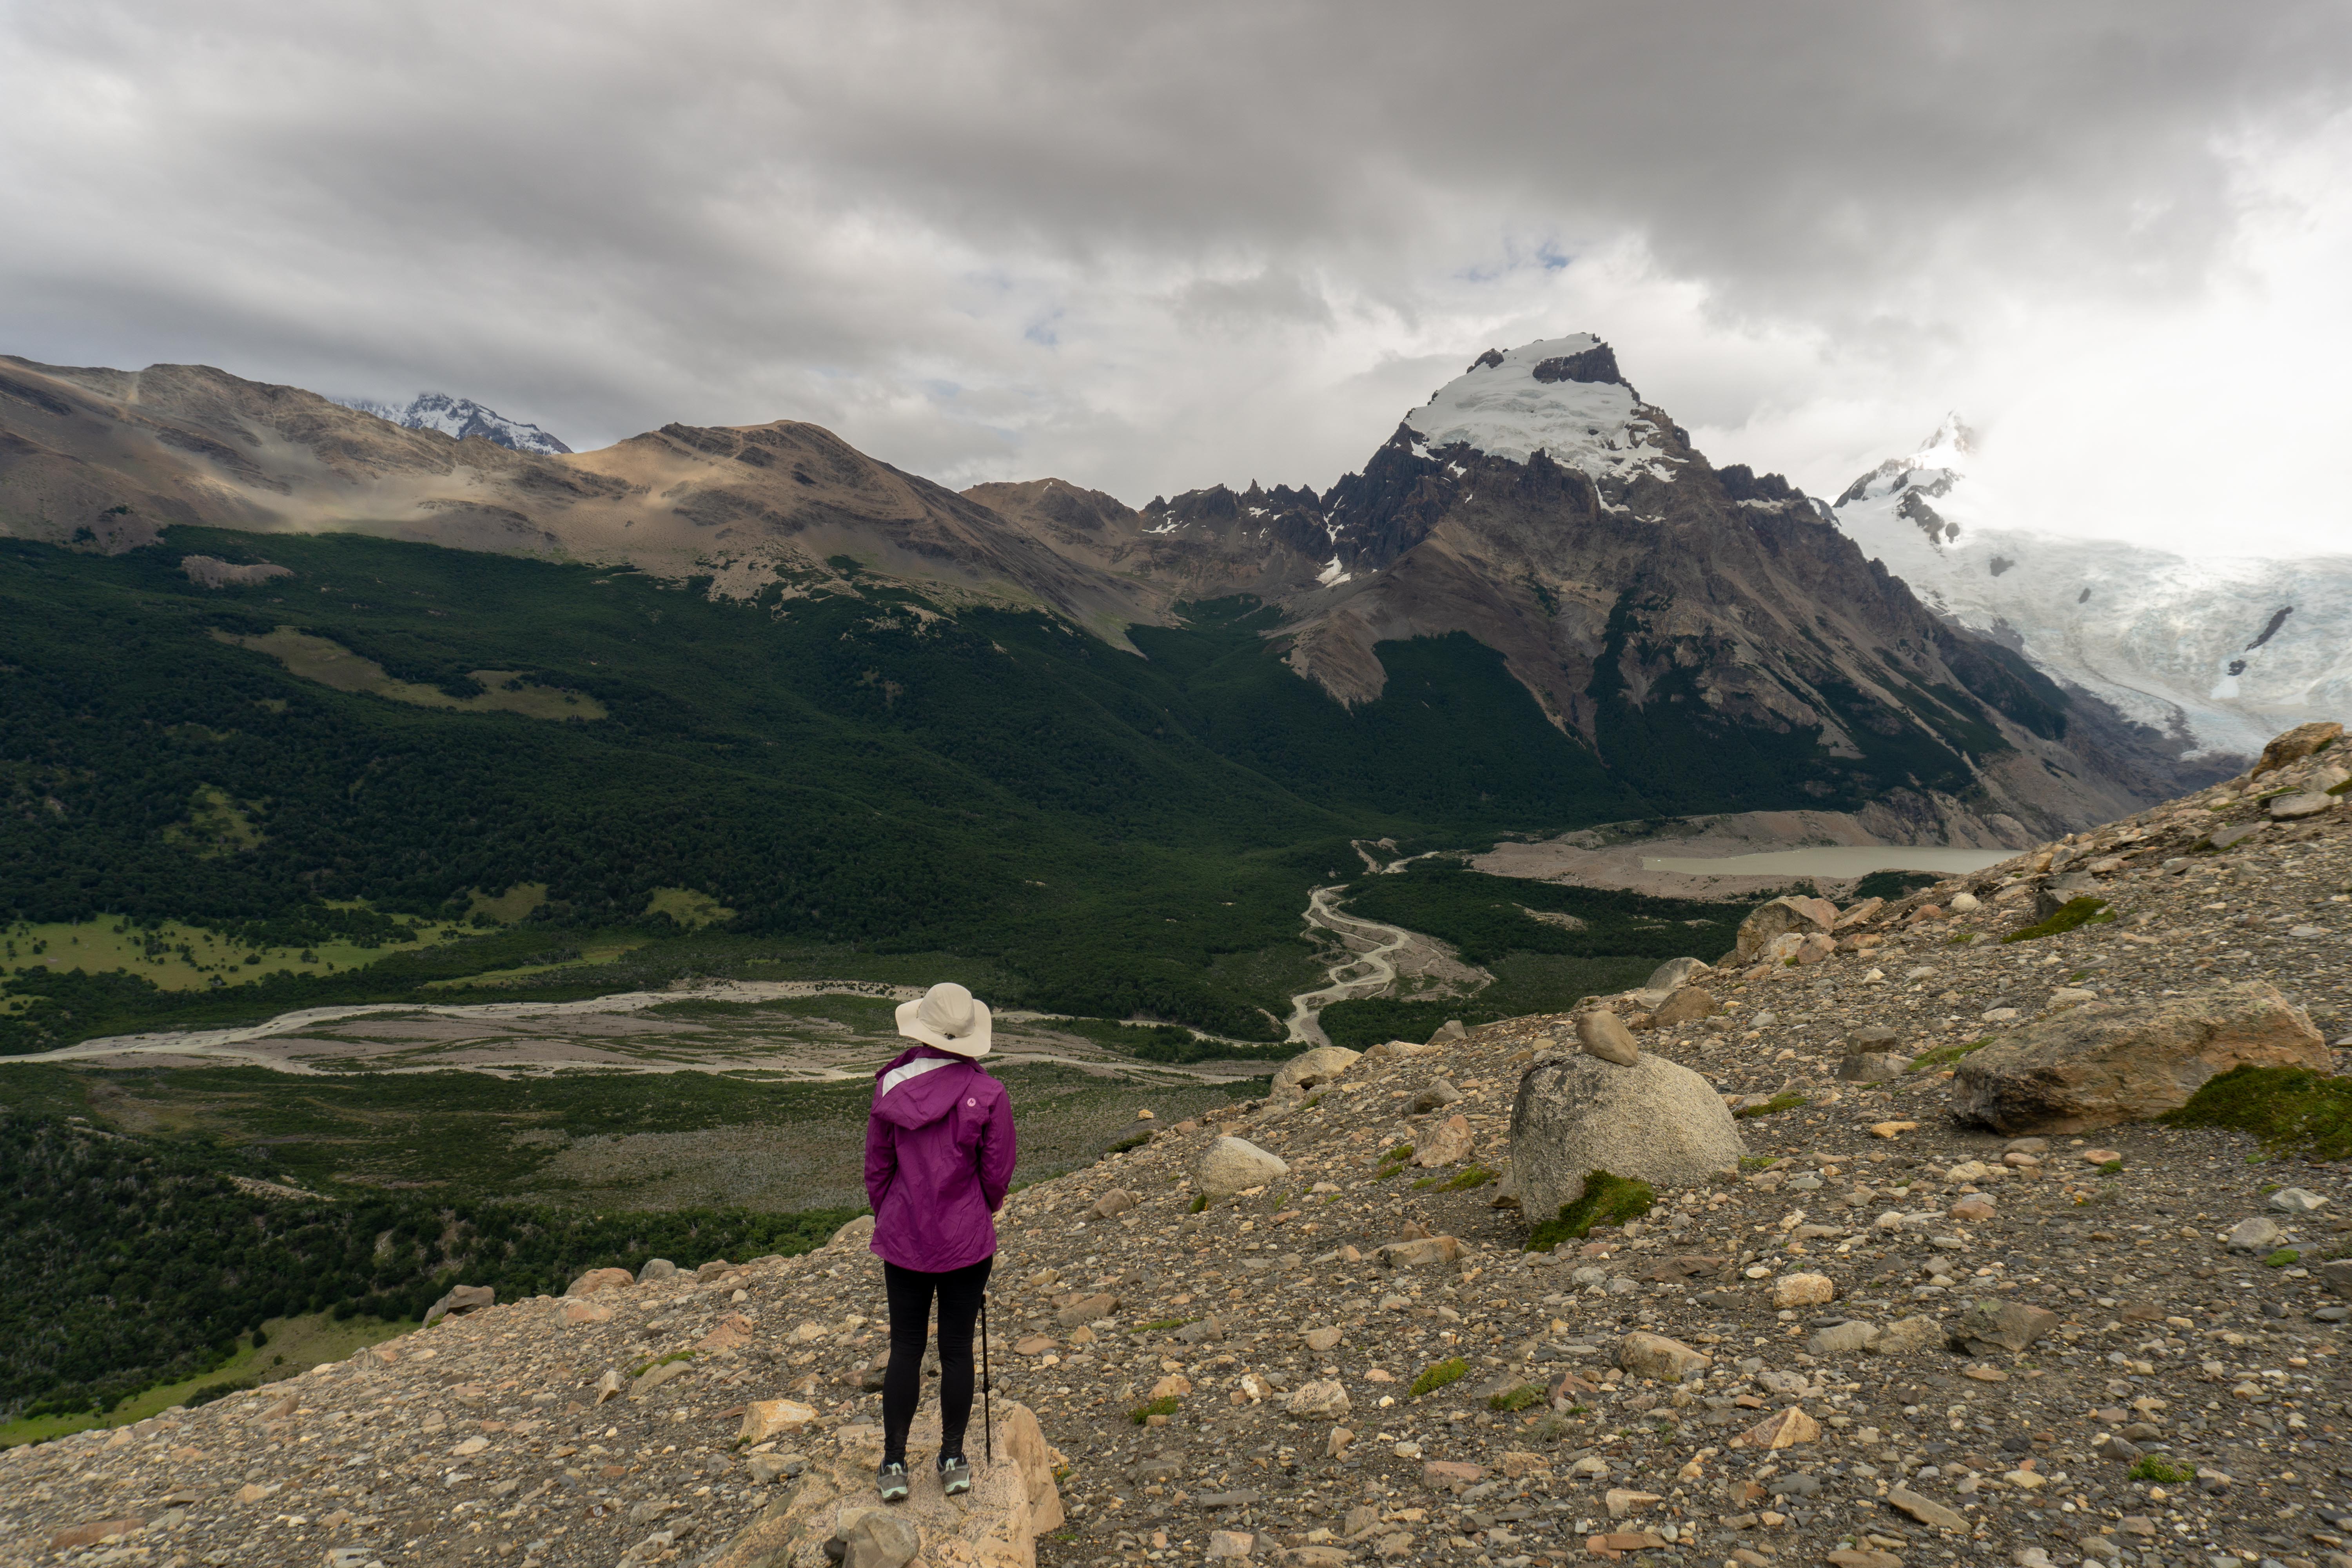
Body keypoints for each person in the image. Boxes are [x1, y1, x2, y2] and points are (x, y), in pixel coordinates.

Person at [864, 981, 1015, 1502]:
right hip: (966, 1243)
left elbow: (877, 1170)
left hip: (904, 1238)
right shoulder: (990, 1094)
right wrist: (981, 1212)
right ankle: (953, 1458)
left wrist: (892, 1216)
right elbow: (996, 1175)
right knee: (956, 1349)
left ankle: (893, 1465)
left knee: (905, 1347)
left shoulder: (889, 1087)